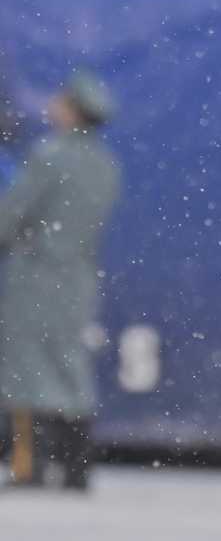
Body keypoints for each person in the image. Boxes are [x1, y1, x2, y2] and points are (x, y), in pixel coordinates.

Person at [0, 70, 122, 490]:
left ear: (72, 109)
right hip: (78, 278)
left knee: (23, 370)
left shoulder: (49, 155)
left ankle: (28, 465)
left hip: (35, 276)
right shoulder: (104, 164)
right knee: (70, 367)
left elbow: (12, 215)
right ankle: (76, 467)